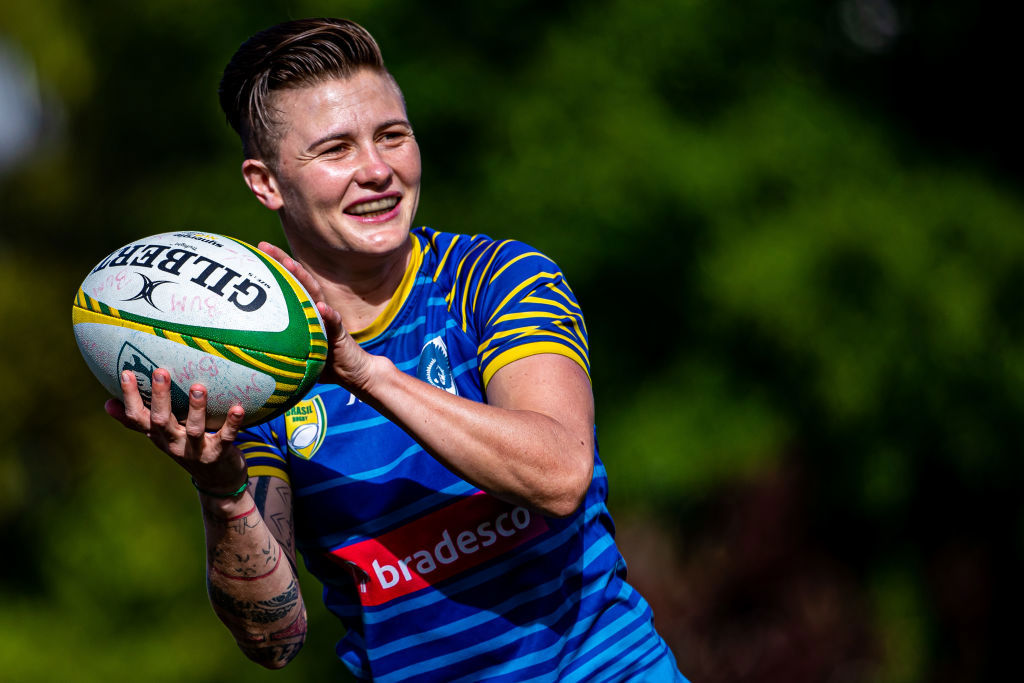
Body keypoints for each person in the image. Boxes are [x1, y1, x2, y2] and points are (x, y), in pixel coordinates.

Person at [105, 17, 687, 682]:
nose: (377, 170)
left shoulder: (495, 281)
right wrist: (221, 487)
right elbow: (275, 638)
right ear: (265, 183)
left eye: (392, 136)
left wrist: (362, 371)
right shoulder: (254, 368)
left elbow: (558, 475)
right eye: (336, 150)